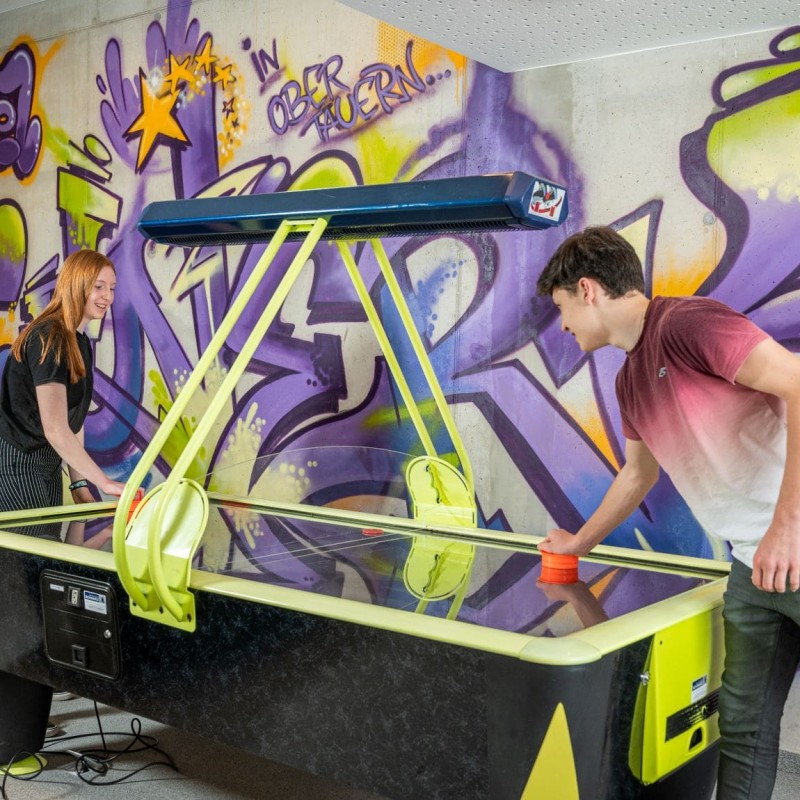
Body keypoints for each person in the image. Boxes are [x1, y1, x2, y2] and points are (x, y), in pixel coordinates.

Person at [535, 225, 800, 800]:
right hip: (754, 569)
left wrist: (787, 527)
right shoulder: (631, 379)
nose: (564, 327)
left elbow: (799, 384)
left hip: (792, 544)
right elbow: (638, 475)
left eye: (562, 309)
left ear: (587, 290)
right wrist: (577, 545)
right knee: (745, 734)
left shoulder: (687, 324)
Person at [0, 248, 125, 535]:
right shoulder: (50, 336)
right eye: (99, 287)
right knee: (30, 559)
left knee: (48, 555)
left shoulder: (78, 341)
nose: (108, 296)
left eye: (112, 288)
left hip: (48, 460)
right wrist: (104, 482)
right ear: (76, 284)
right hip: (18, 459)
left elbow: (73, 423)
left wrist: (79, 483)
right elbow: (55, 428)